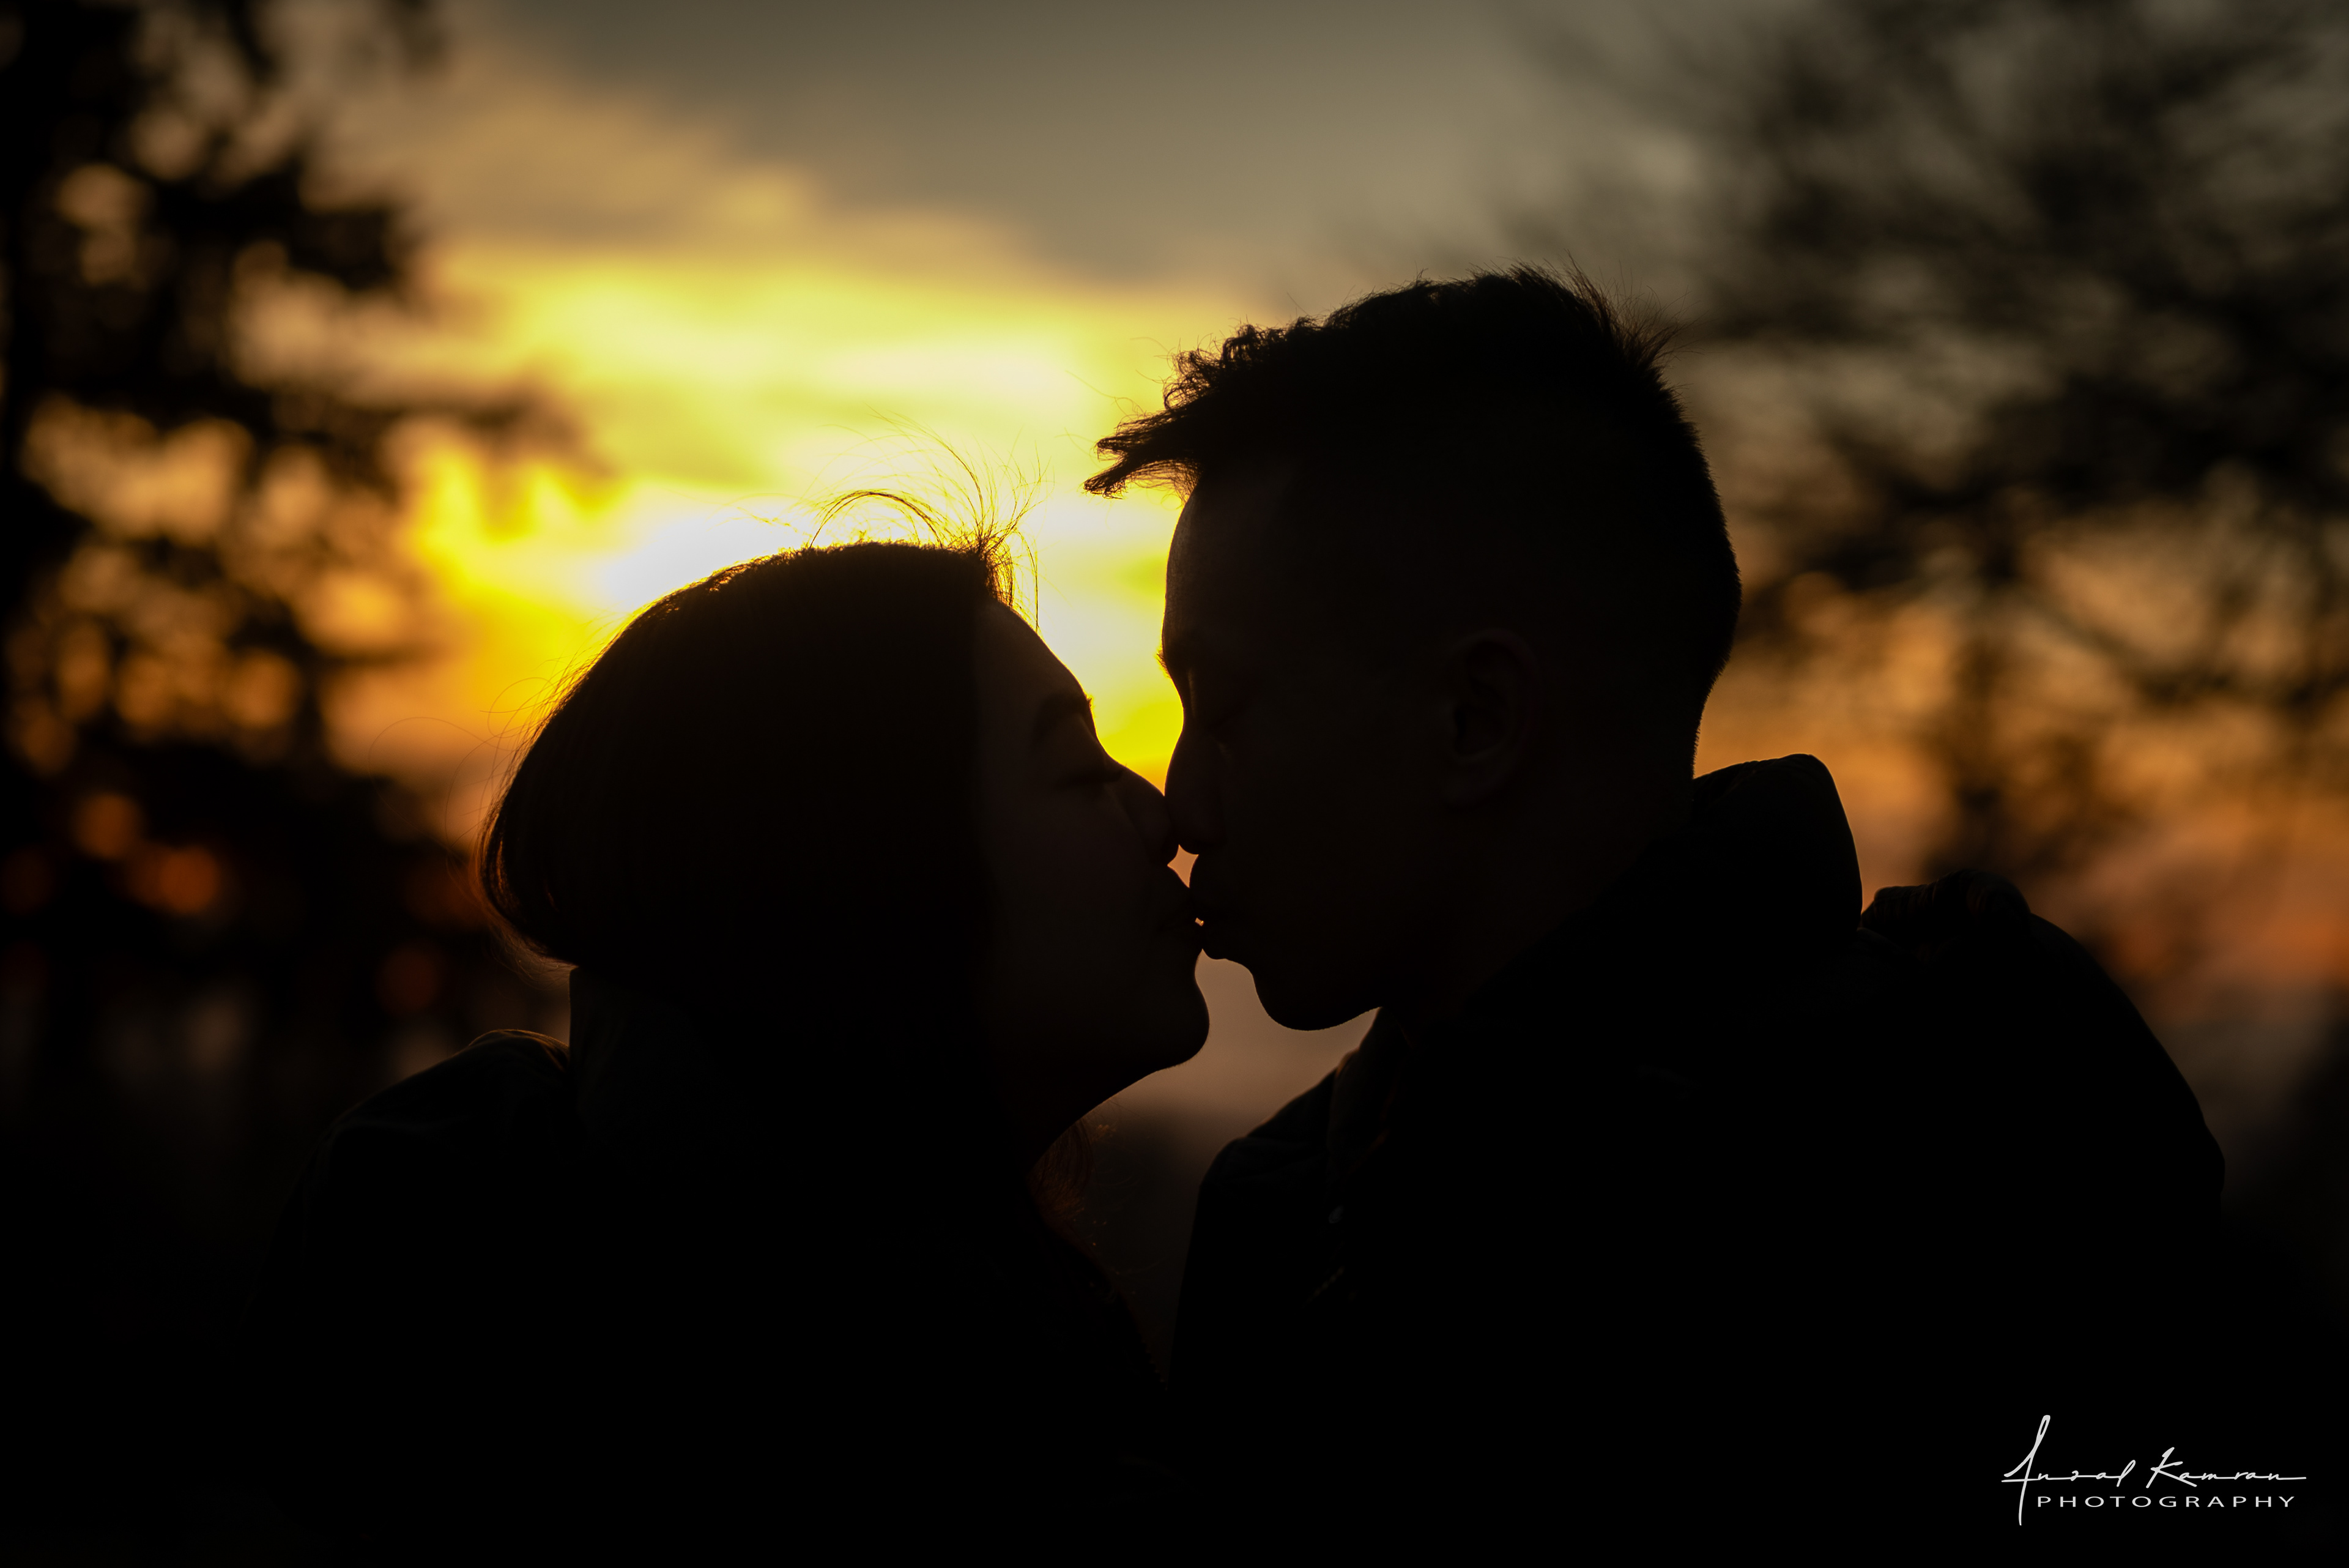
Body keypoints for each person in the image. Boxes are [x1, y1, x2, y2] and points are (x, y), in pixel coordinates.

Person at [1086, 267, 2233, 1543]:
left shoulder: (1981, 1144)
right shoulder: (1283, 1209)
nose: (1182, 806)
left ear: (1475, 720)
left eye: (1224, 712)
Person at [244, 538, 1209, 1550]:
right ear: (871, 876)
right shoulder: (714, 1471)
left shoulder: (999, 1372)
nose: (1160, 815)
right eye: (1074, 770)